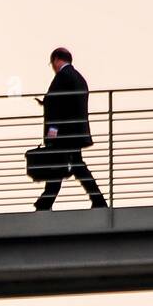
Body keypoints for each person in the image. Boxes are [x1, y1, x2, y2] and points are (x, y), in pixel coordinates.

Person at [34, 47, 107, 210]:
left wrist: (52, 131)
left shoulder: (62, 77)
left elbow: (58, 106)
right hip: (76, 132)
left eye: (52, 63)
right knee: (71, 165)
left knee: (61, 166)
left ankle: (46, 202)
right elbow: (69, 104)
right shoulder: (78, 78)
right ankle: (46, 201)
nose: (53, 67)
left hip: (63, 133)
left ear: (56, 60)